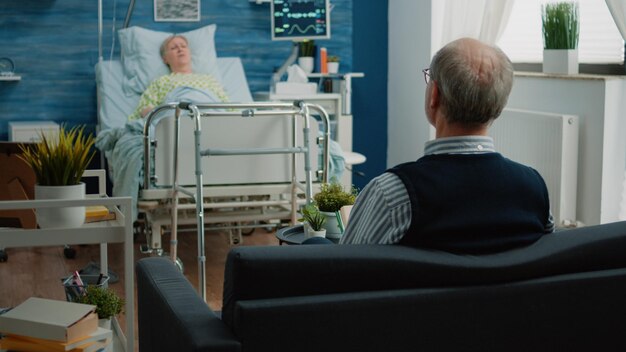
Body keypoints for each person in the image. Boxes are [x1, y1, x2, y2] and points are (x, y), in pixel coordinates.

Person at [340, 37, 554, 253]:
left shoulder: (392, 195)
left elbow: (344, 272)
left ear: (434, 95)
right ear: (499, 106)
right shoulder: (535, 190)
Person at [128, 35, 229, 120]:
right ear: (165, 59)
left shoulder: (209, 79)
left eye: (183, 46)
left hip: (211, 119)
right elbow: (145, 110)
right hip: (177, 123)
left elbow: (227, 107)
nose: (180, 49)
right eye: (173, 48)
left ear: (189, 53)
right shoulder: (161, 81)